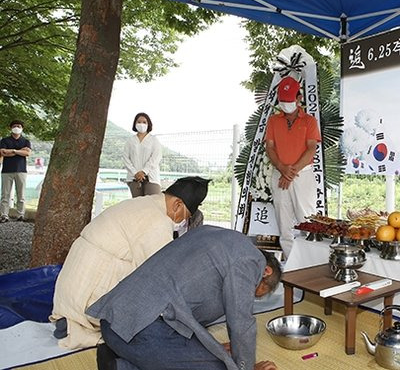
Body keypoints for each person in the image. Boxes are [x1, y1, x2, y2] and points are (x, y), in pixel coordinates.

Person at [87, 225, 281, 370]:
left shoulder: (212, 233)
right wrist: (245, 367)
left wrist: (209, 350)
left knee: (214, 355)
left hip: (114, 324)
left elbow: (184, 309)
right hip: (141, 333)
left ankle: (117, 362)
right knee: (222, 367)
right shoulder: (250, 261)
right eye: (254, 293)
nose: (249, 297)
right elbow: (241, 323)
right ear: (266, 271)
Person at [51, 176, 210, 349]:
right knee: (150, 308)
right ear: (177, 205)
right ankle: (81, 326)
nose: (181, 222)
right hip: (89, 295)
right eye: (184, 217)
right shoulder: (158, 221)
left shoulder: (143, 204)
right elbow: (163, 274)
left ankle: (72, 321)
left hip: (70, 292)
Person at [265, 76, 321, 257]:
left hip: (302, 176)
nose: (286, 104)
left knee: (308, 220)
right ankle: (290, 264)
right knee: (284, 222)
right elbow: (270, 147)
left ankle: (311, 262)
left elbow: (312, 148)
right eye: (282, 101)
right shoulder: (273, 121)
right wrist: (282, 168)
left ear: (299, 98)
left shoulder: (309, 121)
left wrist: (290, 172)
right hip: (279, 174)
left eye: (289, 100)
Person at [123, 112, 162, 198]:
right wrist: (135, 173)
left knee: (153, 205)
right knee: (137, 207)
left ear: (148, 124)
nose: (141, 124)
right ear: (135, 124)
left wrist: (144, 172)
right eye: (139, 122)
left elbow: (156, 157)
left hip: (151, 178)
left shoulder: (154, 140)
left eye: (144, 122)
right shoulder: (130, 141)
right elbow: (126, 158)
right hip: (134, 179)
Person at [0, 120, 32, 223]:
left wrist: (13, 151)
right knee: (5, 195)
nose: (16, 127)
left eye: (19, 126)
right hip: (6, 171)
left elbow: (27, 153)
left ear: (22, 128)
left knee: (21, 195)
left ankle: (20, 215)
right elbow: (3, 152)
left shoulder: (26, 141)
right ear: (11, 128)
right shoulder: (4, 140)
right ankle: (4, 215)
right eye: (14, 126)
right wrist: (19, 151)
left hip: (21, 171)